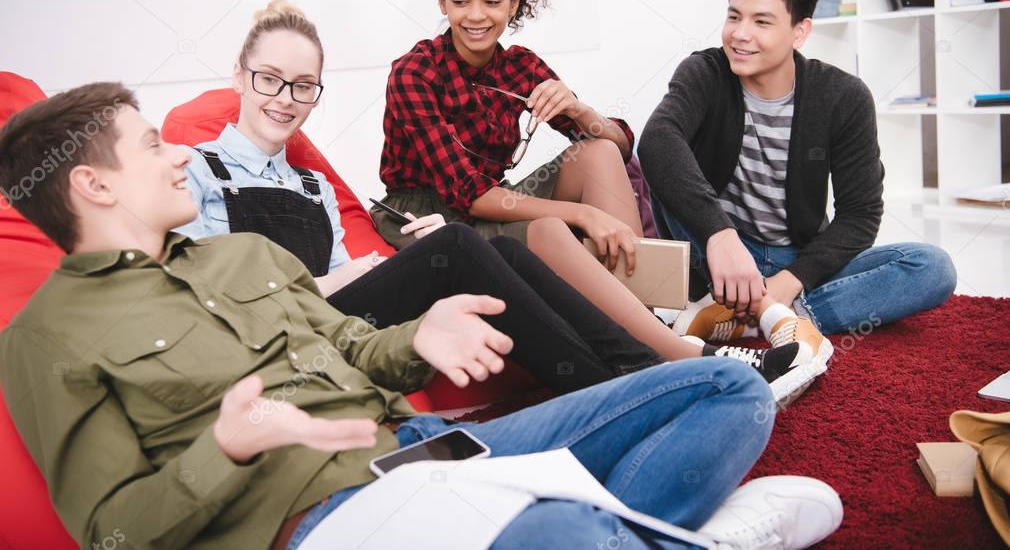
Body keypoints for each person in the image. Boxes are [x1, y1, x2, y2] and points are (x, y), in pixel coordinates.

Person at [0, 83, 844, 550]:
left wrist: (419, 335)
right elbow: (110, 533)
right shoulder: (44, 338)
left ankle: (645, 536)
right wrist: (224, 447)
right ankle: (687, 539)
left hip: (420, 450)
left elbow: (355, 347)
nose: (177, 150)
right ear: (93, 183)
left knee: (725, 393)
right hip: (313, 513)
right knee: (557, 532)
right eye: (151, 144)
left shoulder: (243, 257)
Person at [373, 0, 814, 393]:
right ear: (443, 1)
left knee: (599, 151)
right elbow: (471, 196)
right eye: (460, 1)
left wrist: (579, 110)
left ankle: (644, 322)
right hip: (432, 216)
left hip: (493, 200)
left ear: (515, 2)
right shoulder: (414, 72)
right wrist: (583, 214)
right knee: (550, 229)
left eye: (492, 1)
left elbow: (621, 144)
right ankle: (683, 356)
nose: (475, 15)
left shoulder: (520, 66)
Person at [175, 0, 673, 393]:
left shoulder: (314, 185)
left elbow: (351, 285)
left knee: (494, 249)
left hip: (339, 322)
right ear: (238, 76)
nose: (285, 99)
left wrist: (371, 267)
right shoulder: (195, 170)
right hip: (280, 330)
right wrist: (330, 281)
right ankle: (618, 382)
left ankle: (637, 361)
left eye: (303, 87)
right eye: (269, 80)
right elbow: (206, 295)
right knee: (458, 244)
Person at [639, 0, 957, 350]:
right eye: (734, 16)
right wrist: (721, 237)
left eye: (761, 22)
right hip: (719, 257)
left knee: (931, 268)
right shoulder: (704, 72)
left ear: (799, 32)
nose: (740, 34)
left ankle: (755, 314)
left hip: (800, 260)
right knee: (667, 158)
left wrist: (788, 282)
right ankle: (773, 316)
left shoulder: (843, 96)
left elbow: (860, 214)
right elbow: (657, 139)